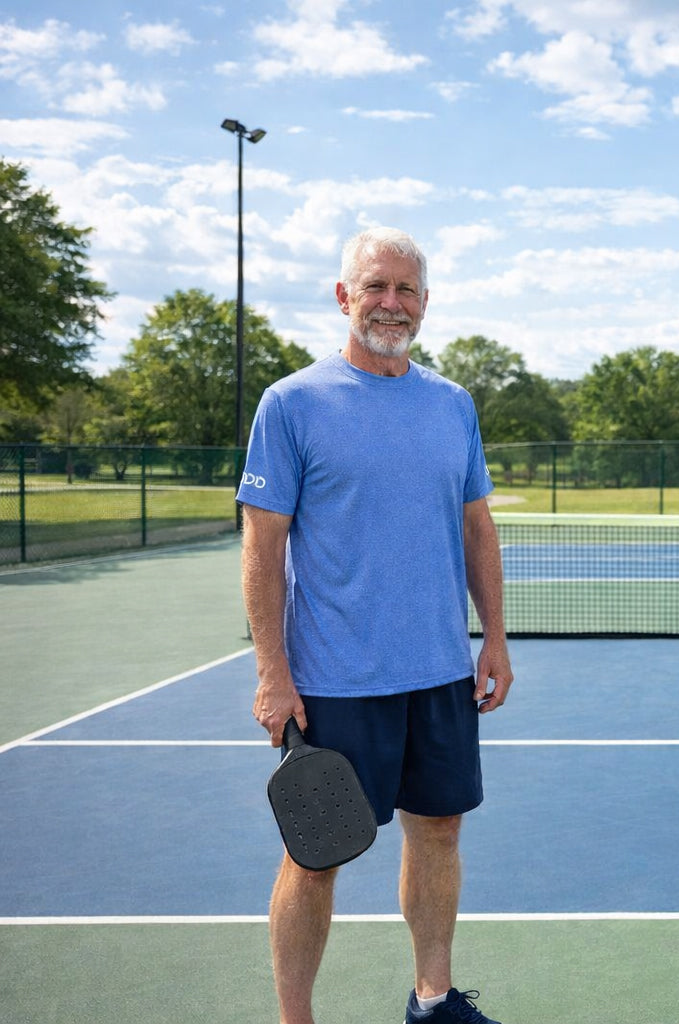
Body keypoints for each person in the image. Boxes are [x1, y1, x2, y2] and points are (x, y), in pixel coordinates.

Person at [238, 226, 514, 1024]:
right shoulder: (291, 403)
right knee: (315, 857)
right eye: (376, 287)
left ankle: (433, 1001)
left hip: (438, 673)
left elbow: (476, 526)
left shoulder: (452, 404)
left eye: (406, 290)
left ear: (425, 304)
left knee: (438, 834)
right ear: (344, 296)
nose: (391, 303)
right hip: (333, 682)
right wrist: (273, 674)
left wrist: (493, 637)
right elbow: (262, 544)